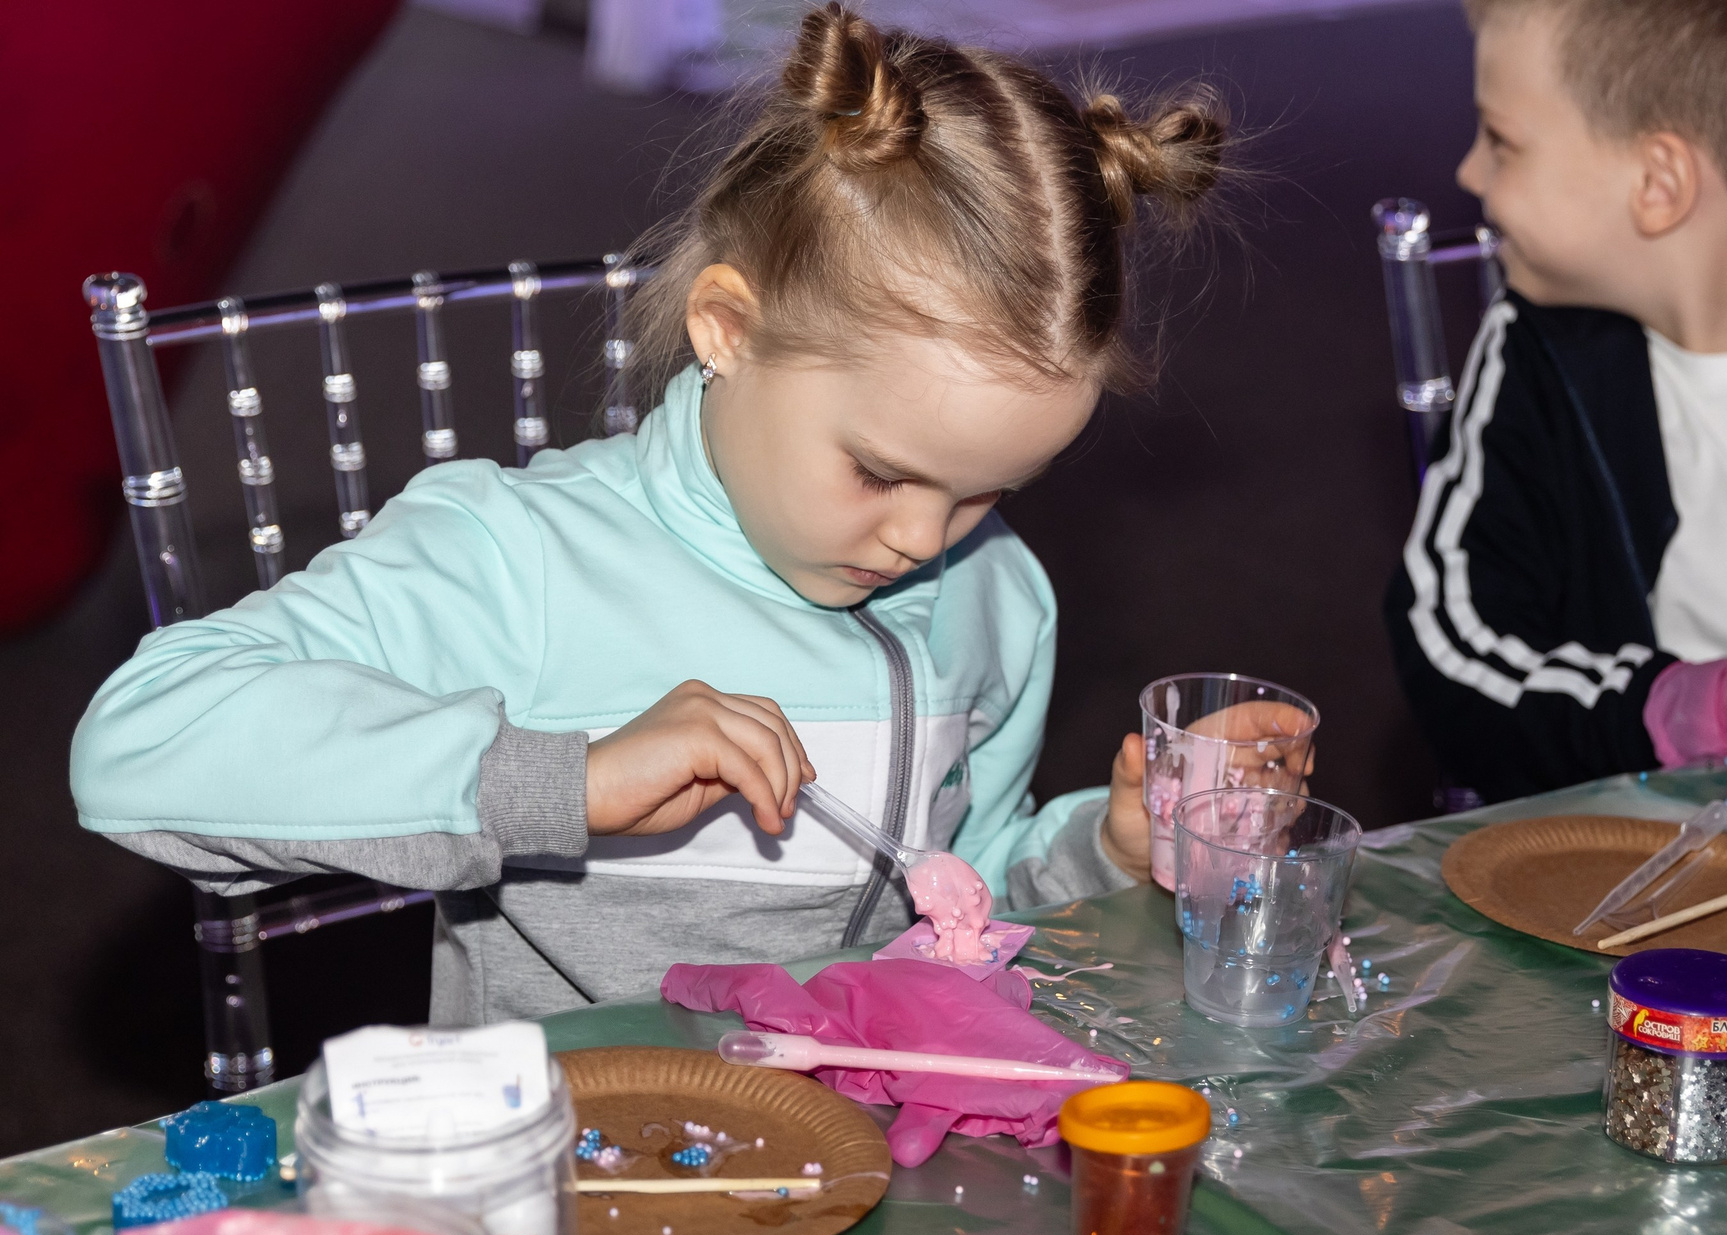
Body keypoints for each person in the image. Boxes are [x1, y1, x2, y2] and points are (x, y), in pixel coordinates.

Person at [70, 5, 1228, 1023]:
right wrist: (563, 781)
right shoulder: (523, 559)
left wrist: (1105, 850)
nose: (927, 540)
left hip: (864, 1147)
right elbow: (140, 744)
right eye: (879, 472)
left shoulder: (998, 594)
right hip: (582, 1160)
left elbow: (963, 885)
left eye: (987, 490)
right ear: (730, 329)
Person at [1385, 0, 1727, 804]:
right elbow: (1448, 638)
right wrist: (1684, 706)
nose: (1469, 172)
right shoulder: (1538, 356)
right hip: (1652, 850)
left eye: (1501, 140)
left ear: (1658, 184)